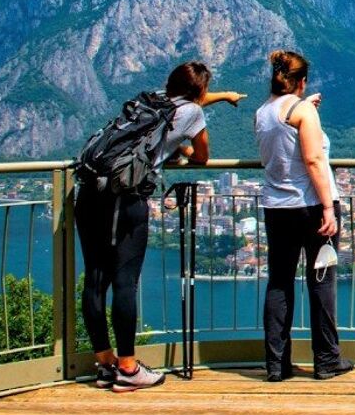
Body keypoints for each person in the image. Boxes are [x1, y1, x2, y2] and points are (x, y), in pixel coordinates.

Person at [77, 61, 245, 392]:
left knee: (95, 281)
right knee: (125, 283)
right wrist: (180, 147)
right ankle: (128, 368)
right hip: (125, 199)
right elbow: (202, 156)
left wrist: (224, 95)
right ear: (199, 91)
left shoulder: (151, 99)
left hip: (90, 192)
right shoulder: (193, 113)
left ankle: (106, 364)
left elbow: (191, 99)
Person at [255, 50, 353, 382]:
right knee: (321, 281)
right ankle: (327, 360)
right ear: (302, 81)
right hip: (311, 207)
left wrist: (304, 106)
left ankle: (276, 364)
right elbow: (313, 160)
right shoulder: (302, 112)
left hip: (276, 208)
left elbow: (282, 143)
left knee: (279, 283)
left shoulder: (262, 112)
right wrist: (327, 208)